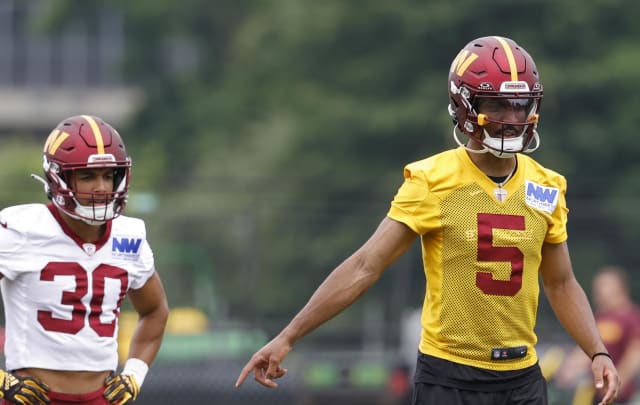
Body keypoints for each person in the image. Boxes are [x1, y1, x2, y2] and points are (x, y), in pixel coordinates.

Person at [234, 36, 621, 405]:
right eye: (498, 105)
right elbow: (366, 265)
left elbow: (561, 281)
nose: (513, 118)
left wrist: (596, 351)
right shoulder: (432, 180)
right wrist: (289, 335)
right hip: (450, 377)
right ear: (465, 106)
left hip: (522, 378)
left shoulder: (547, 185)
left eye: (521, 105)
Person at [0, 115, 169, 405]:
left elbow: (155, 310)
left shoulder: (129, 236)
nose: (102, 187)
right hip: (37, 398)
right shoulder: (25, 229)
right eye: (87, 176)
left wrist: (134, 373)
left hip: (102, 398)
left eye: (109, 175)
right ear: (58, 177)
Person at [555, 266, 640, 404]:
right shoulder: (600, 318)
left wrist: (618, 382)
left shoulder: (632, 318)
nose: (599, 293)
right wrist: (569, 368)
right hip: (595, 394)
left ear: (621, 289)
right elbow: (587, 349)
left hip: (620, 396)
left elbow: (634, 355)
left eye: (604, 287)